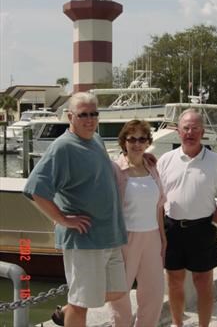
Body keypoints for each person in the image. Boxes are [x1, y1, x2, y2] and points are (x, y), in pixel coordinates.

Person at [23, 92, 128, 327]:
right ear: (70, 116)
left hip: (108, 236)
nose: (90, 119)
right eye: (83, 115)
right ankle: (72, 310)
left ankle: (66, 311)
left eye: (94, 114)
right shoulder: (62, 147)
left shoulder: (96, 139)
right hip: (84, 239)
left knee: (117, 291)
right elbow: (35, 189)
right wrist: (62, 219)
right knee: (82, 304)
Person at [157, 108, 217, 327]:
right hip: (172, 228)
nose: (190, 132)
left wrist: (213, 224)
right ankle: (177, 324)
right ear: (178, 131)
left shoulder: (215, 161)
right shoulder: (166, 160)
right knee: (174, 282)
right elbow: (158, 199)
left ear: (202, 131)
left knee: (203, 283)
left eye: (194, 128)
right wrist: (161, 229)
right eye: (185, 128)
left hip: (203, 228)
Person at [109, 119, 166, 327]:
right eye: (131, 138)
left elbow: (159, 206)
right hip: (125, 238)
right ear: (124, 141)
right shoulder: (116, 169)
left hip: (152, 237)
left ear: (148, 142)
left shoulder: (152, 167)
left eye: (142, 138)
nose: (137, 143)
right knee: (119, 294)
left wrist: (163, 238)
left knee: (154, 293)